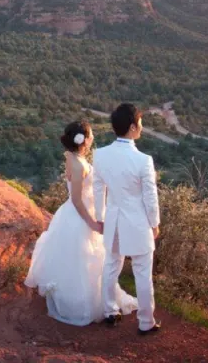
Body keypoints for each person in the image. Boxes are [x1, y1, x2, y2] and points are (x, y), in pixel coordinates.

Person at [25, 121, 138, 326]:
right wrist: (92, 223)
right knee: (85, 261)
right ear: (83, 140)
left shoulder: (73, 157)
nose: (93, 137)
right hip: (81, 217)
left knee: (84, 260)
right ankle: (83, 304)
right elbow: (77, 199)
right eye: (91, 135)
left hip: (77, 214)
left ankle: (91, 298)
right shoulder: (77, 164)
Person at [93, 103, 161, 334]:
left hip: (113, 219)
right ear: (132, 127)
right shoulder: (144, 160)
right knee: (143, 273)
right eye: (140, 123)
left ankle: (110, 311)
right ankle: (146, 322)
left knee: (111, 267)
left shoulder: (100, 155)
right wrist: (154, 223)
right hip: (138, 222)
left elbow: (98, 188)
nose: (141, 127)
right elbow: (150, 197)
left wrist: (100, 217)